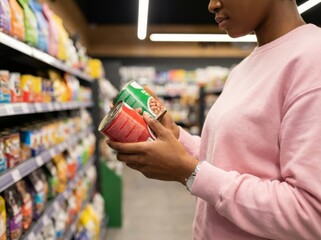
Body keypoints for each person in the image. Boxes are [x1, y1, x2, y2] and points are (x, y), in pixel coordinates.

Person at [107, 0, 321, 239]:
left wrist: (190, 173)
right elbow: (228, 157)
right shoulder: (243, 69)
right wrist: (176, 136)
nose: (211, 5)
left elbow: (311, 214)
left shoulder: (313, 60)